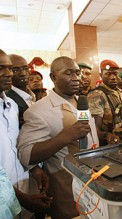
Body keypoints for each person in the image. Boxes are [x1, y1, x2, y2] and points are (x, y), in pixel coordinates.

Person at [17, 56, 99, 218]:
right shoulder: (39, 111)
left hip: (94, 182)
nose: (76, 78)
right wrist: (65, 137)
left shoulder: (82, 102)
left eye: (77, 73)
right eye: (69, 73)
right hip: (66, 189)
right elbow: (26, 154)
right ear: (53, 77)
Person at [0, 49, 52, 218]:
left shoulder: (11, 106)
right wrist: (22, 198)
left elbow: (16, 145)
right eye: (1, 68)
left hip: (23, 185)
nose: (8, 74)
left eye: (9, 68)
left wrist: (33, 169)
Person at [87, 59, 122, 146]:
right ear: (101, 75)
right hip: (108, 144)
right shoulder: (96, 95)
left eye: (115, 74)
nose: (113, 77)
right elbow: (94, 128)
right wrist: (107, 136)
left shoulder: (121, 92)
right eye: (108, 74)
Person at [6, 54, 36, 128]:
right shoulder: (8, 100)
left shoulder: (33, 96)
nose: (23, 73)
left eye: (26, 68)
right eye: (15, 70)